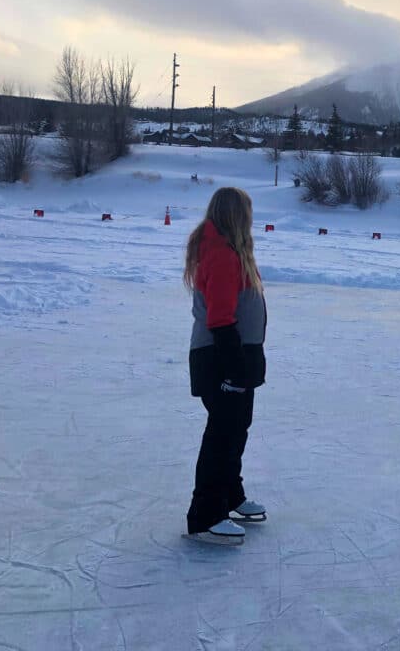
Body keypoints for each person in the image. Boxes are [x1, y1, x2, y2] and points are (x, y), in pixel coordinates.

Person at [184, 187, 267, 543]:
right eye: (247, 213)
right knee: (222, 435)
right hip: (221, 358)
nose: (251, 220)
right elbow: (219, 319)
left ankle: (230, 496)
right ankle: (205, 515)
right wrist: (234, 369)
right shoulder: (221, 255)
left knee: (236, 431)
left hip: (235, 357)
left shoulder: (231, 252)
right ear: (235, 216)